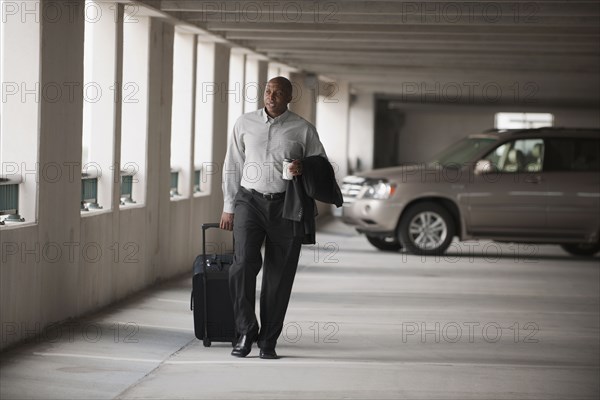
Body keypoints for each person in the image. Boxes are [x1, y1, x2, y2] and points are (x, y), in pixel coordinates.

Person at [220, 76, 327, 359]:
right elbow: (232, 164)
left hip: (286, 207)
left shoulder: (303, 129)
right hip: (249, 201)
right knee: (242, 265)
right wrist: (228, 205)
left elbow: (322, 165)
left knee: (279, 276)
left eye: (278, 93)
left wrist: (304, 167)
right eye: (268, 91)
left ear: (289, 97)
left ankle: (268, 341)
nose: (271, 96)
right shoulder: (244, 123)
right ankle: (245, 331)